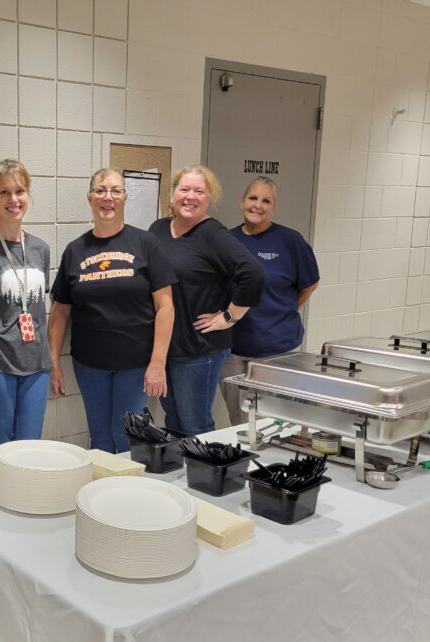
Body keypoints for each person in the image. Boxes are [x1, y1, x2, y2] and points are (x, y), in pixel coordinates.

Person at [49, 168, 175, 454]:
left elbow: (166, 307)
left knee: (127, 437)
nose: (108, 197)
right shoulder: (75, 250)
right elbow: (59, 312)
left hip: (135, 363)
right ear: (90, 197)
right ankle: (102, 495)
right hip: (89, 364)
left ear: (125, 197)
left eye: (116, 190)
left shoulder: (146, 244)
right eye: (101, 190)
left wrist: (157, 363)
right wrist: (53, 359)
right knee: (100, 438)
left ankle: (129, 495)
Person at [147, 165, 265, 436]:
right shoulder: (158, 229)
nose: (190, 197)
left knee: (195, 424)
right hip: (166, 346)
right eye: (184, 189)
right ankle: (179, 478)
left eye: (199, 191)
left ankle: (204, 477)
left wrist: (229, 317)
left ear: (209, 197)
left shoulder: (213, 235)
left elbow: (254, 274)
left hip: (199, 350)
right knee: (173, 421)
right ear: (173, 194)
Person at [0, 159, 52, 481]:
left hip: (36, 363)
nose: (13, 200)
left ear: (28, 194)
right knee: (0, 449)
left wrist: (50, 362)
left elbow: (40, 308)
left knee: (30, 449)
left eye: (19, 191)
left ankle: (26, 511)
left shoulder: (41, 249)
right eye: (4, 192)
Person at [221, 176, 319, 425]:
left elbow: (310, 283)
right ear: (242, 202)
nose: (258, 205)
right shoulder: (226, 241)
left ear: (273, 207)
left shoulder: (290, 241)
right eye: (253, 198)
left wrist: (287, 309)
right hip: (233, 352)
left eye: (266, 200)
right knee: (241, 423)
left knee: (275, 423)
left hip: (277, 351)